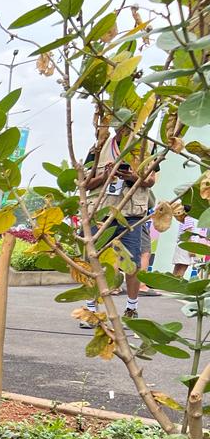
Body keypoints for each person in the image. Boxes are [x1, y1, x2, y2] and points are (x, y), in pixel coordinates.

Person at [79, 125, 159, 328]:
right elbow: (84, 183)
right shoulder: (99, 146)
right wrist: (105, 177)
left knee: (131, 265)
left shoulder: (147, 145)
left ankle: (131, 308)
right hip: (100, 212)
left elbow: (150, 181)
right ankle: (91, 309)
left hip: (130, 214)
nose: (123, 126)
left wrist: (132, 177)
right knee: (94, 262)